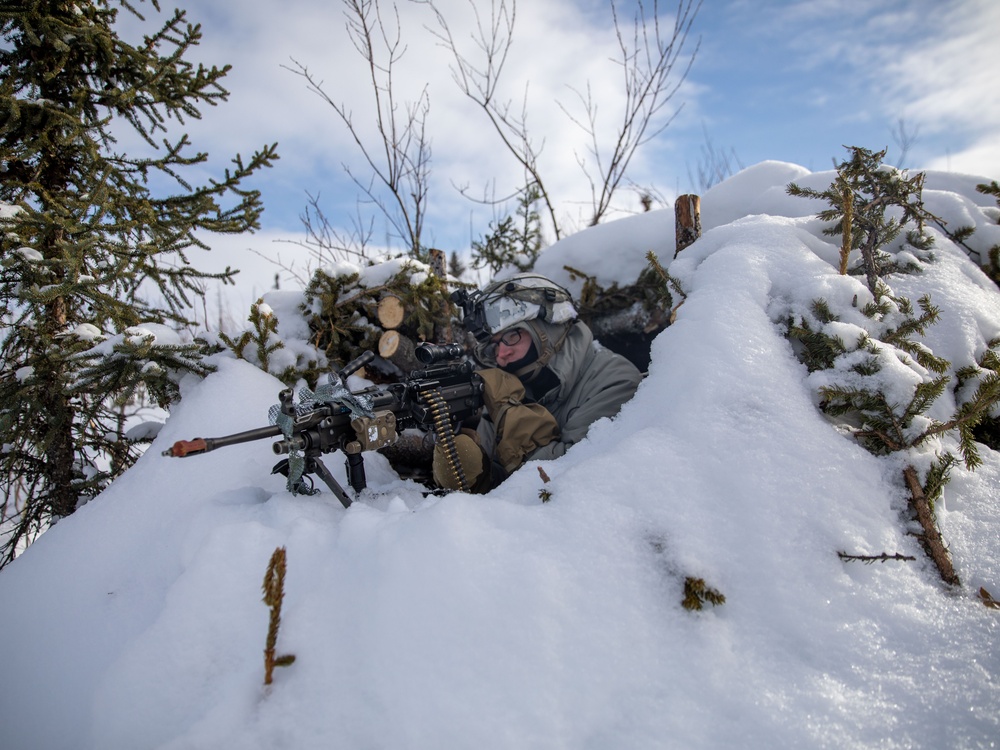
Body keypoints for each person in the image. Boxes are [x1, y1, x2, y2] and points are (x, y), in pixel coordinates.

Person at [433, 273, 643, 493]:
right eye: (494, 346)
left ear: (548, 328)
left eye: (513, 336)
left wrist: (510, 411)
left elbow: (564, 483)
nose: (502, 354)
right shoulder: (515, 384)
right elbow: (503, 485)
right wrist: (476, 473)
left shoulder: (614, 381)